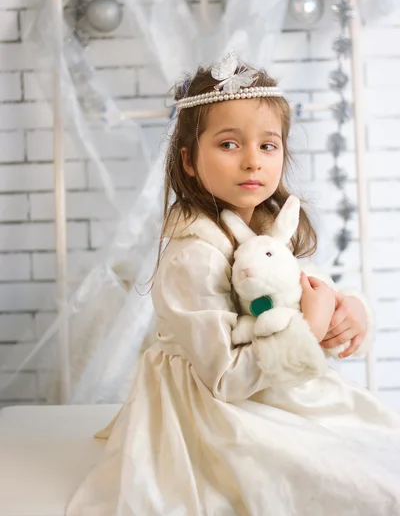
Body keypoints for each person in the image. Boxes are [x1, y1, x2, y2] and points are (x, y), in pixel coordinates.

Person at [67, 54, 400, 516]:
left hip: (273, 385)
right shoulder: (193, 257)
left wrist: (350, 312)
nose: (251, 162)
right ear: (188, 160)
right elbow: (225, 378)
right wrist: (308, 325)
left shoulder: (269, 227)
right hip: (214, 408)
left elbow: (309, 286)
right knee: (344, 482)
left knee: (381, 444)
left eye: (268, 146)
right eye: (228, 144)